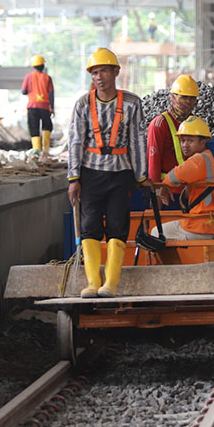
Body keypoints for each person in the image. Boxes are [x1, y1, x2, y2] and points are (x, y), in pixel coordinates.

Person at [67, 48, 149, 298]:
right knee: (89, 227)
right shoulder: (83, 103)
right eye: (94, 72)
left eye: (103, 71)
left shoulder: (133, 103)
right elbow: (76, 141)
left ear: (116, 71)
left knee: (117, 226)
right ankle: (93, 283)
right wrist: (73, 178)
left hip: (121, 174)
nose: (98, 77)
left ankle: (110, 284)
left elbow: (137, 140)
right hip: (90, 174)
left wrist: (142, 176)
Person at [153, 116, 214, 241]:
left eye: (190, 141)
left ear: (203, 142)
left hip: (202, 225)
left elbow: (174, 176)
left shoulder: (198, 160)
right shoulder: (209, 159)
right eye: (182, 141)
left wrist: (164, 187)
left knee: (155, 232)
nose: (185, 145)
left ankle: (173, 261)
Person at [147, 75, 200, 204]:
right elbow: (154, 161)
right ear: (173, 97)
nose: (188, 102)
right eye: (184, 97)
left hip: (191, 192)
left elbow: (206, 142)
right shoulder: (160, 124)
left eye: (192, 98)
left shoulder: (195, 123)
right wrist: (156, 194)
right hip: (169, 193)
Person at [22, 53, 55, 153]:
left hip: (32, 106)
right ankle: (46, 150)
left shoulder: (28, 77)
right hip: (45, 107)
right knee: (47, 126)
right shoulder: (47, 78)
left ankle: (37, 150)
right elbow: (51, 94)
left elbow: (23, 91)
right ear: (43, 66)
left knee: (33, 126)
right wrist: (52, 108)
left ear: (33, 66)